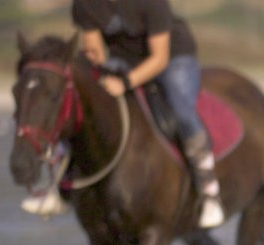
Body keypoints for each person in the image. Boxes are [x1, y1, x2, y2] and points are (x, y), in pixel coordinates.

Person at [72, 0, 223, 228]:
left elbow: (159, 58)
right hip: (122, 59)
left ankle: (209, 191)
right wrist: (94, 70)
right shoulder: (85, 4)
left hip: (173, 57)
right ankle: (63, 180)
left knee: (182, 112)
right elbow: (97, 52)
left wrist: (125, 82)